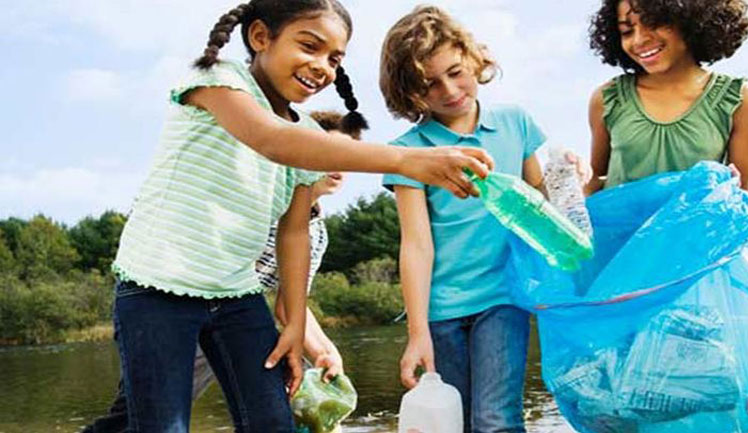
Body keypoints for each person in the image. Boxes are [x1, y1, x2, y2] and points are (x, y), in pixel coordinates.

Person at [109, 0, 495, 431]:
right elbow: (270, 138)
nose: (322, 66)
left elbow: (293, 233)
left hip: (236, 295)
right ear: (260, 38)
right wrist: (406, 159)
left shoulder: (308, 135)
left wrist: (294, 322)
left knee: (274, 422)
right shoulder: (215, 78)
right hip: (157, 289)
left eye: (334, 58)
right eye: (309, 46)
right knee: (160, 425)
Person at [81, 110, 359, 433]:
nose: (339, 165)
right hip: (181, 305)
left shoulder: (317, 234)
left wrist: (325, 351)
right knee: (137, 417)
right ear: (301, 150)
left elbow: (289, 305)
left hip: (238, 321)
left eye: (348, 155)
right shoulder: (265, 199)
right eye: (330, 152)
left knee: (268, 414)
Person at [380, 6, 585, 432]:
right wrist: (418, 332)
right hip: (440, 309)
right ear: (410, 92)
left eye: (456, 72)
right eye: (430, 84)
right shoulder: (409, 151)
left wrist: (572, 175)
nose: (450, 90)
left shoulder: (515, 123)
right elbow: (416, 244)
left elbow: (541, 205)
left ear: (474, 59)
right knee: (453, 421)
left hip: (502, 296)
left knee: (494, 418)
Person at [585, 0, 748, 197]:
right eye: (627, 31)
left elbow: (742, 198)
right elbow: (595, 179)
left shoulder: (740, 101)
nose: (639, 40)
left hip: (697, 228)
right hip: (619, 228)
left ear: (690, 20)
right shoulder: (608, 98)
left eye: (653, 23)